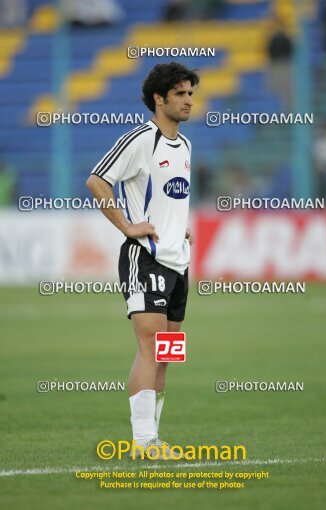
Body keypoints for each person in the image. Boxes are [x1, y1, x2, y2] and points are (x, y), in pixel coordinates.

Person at [86, 62, 199, 459]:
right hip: (145, 260)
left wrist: (178, 227)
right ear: (159, 98)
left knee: (167, 356)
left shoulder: (184, 145)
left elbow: (171, 198)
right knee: (150, 347)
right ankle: (143, 443)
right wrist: (127, 227)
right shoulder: (140, 139)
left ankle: (154, 437)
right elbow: (97, 180)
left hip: (178, 264)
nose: (188, 100)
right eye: (181, 93)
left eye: (190, 93)